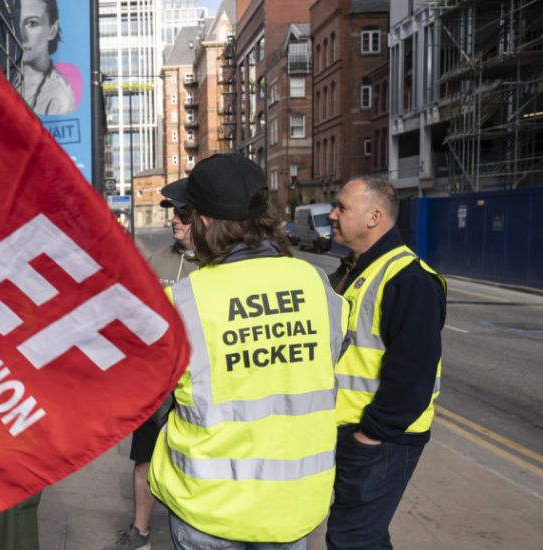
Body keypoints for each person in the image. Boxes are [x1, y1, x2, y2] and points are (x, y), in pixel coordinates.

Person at [147, 153, 349, 550]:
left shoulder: (184, 301)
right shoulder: (315, 283)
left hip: (209, 508)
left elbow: (155, 401)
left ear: (204, 222)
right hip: (294, 507)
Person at [325, 176, 446, 550]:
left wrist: (370, 435)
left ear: (374, 216)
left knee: (351, 539)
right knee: (365, 537)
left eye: (342, 208)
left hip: (381, 439)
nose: (331, 214)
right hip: (351, 432)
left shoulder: (410, 280)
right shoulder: (353, 269)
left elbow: (412, 377)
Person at [104, 180, 197, 550]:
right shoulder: (159, 259)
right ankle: (140, 531)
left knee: (190, 464)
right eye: (173, 213)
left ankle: (189, 531)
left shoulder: (217, 264)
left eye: (183, 214)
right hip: (155, 385)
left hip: (196, 386)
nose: (175, 220)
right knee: (143, 459)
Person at [16, 0, 75, 115]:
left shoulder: (58, 97)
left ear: (52, 30)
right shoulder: (7, 78)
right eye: (17, 23)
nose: (21, 35)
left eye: (32, 23)